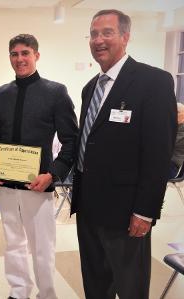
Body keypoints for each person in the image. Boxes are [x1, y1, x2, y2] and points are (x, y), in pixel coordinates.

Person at [71, 9, 177, 299]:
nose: (98, 40)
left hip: (126, 212)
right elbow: (88, 143)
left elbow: (158, 153)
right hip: (89, 207)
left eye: (107, 33)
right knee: (95, 284)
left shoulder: (153, 82)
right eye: (93, 34)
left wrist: (145, 211)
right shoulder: (90, 87)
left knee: (131, 287)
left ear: (126, 37)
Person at [0, 34, 78, 299]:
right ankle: (18, 291)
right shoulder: (0, 94)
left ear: (36, 55)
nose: (19, 59)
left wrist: (54, 173)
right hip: (6, 182)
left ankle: (46, 294)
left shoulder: (55, 92)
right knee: (13, 242)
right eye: (14, 54)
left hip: (39, 182)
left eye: (25, 53)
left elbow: (71, 139)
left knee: (42, 245)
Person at [170, 102, 184, 178]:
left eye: (177, 112)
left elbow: (170, 143)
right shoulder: (177, 126)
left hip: (173, 165)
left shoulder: (182, 128)